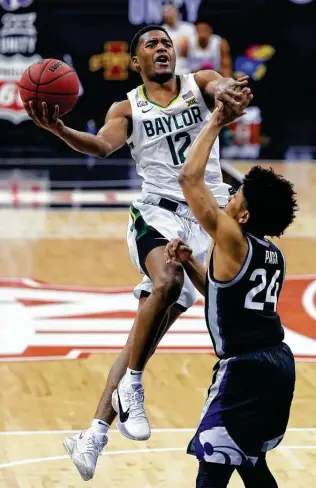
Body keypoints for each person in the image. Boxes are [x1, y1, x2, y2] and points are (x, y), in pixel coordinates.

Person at [24, 25, 252, 481]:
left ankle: (93, 434)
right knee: (166, 280)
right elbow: (103, 145)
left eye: (166, 42)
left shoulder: (200, 81)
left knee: (152, 332)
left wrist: (232, 92)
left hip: (208, 219)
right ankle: (133, 384)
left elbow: (221, 86)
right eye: (150, 44)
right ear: (136, 62)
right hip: (157, 215)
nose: (161, 48)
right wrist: (61, 129)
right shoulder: (126, 107)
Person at [164, 103, 297, 488]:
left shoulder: (233, 240)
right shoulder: (273, 255)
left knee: (213, 466)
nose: (233, 194)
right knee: (252, 465)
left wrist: (216, 121)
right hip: (277, 364)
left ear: (242, 216)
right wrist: (191, 265)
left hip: (245, 370)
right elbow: (227, 299)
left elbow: (189, 178)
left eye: (238, 194)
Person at [162, 1, 196, 73]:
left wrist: (187, 46)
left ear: (176, 12)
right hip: (171, 67)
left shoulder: (189, 28)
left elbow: (197, 49)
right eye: (166, 12)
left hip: (190, 66)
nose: (169, 14)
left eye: (171, 11)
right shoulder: (161, 31)